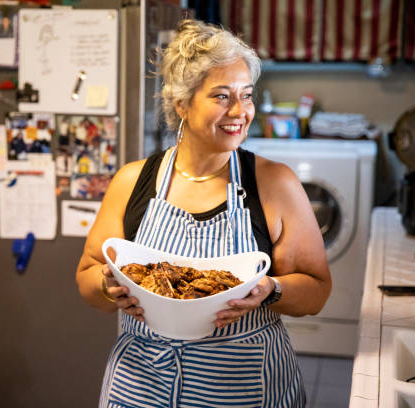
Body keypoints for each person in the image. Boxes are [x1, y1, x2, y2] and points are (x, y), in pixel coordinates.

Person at [76, 19, 331, 408]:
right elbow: (87, 279)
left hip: (244, 388)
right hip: (140, 387)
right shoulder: (132, 182)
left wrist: (268, 291)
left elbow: (316, 289)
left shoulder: (275, 184)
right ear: (182, 103)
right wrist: (109, 286)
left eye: (247, 95)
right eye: (221, 96)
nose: (240, 111)